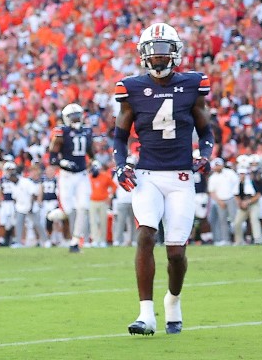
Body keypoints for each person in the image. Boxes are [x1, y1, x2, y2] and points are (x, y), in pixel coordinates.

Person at [112, 22, 214, 336]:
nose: (157, 58)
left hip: (182, 177)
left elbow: (206, 130)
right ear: (144, 55)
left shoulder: (193, 85)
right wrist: (120, 165)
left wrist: (205, 154)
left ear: (175, 52)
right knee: (145, 234)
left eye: (163, 51)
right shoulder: (131, 88)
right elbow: (119, 137)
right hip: (147, 177)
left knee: (176, 253)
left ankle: (173, 300)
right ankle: (146, 314)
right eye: (152, 52)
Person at [48, 103, 94, 253]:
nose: (76, 119)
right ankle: (55, 215)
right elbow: (52, 157)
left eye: (78, 116)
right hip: (66, 176)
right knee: (68, 210)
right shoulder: (61, 132)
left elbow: (90, 152)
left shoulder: (87, 131)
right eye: (72, 116)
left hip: (81, 175)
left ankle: (75, 241)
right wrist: (63, 162)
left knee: (84, 207)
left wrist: (94, 162)